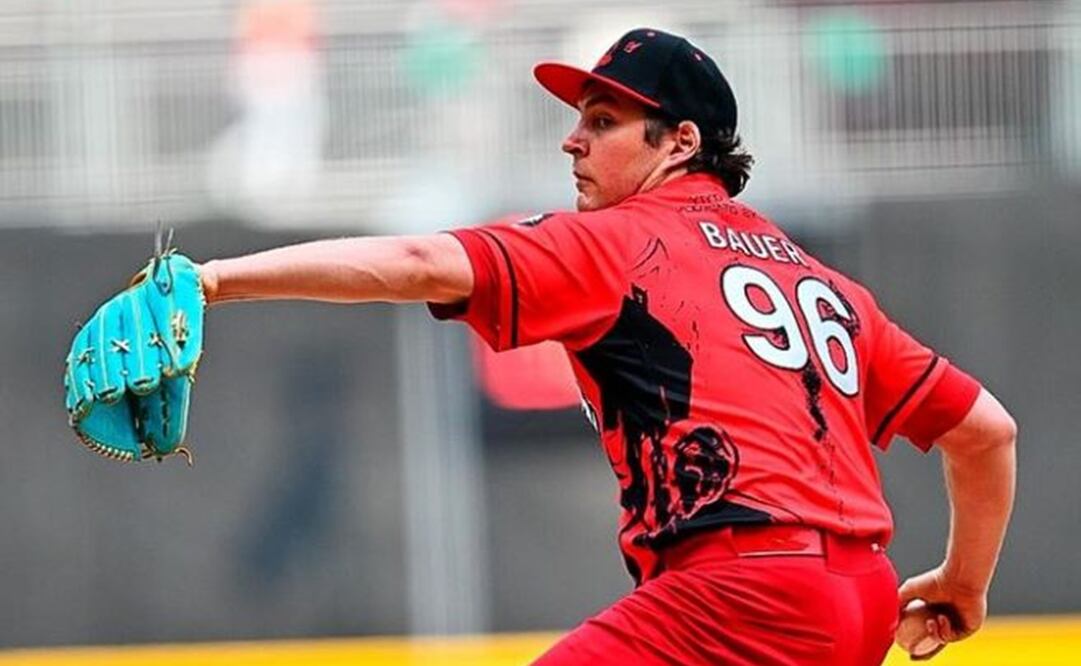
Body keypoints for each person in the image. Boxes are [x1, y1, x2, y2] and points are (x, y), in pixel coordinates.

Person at [196, 28, 1016, 666]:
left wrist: (213, 280)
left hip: (737, 592)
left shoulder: (618, 245)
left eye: (602, 120)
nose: (572, 141)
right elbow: (984, 432)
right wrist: (961, 584)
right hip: (859, 599)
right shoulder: (825, 285)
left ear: (680, 141)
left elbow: (414, 262)